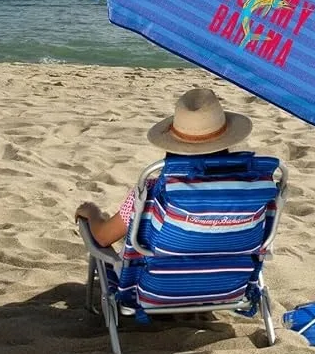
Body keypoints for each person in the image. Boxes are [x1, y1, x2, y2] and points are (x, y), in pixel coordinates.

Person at [74, 87, 254, 247]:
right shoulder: (252, 191)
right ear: (225, 144)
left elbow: (103, 237)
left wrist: (92, 212)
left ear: (174, 146)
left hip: (159, 275)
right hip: (235, 275)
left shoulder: (151, 193)